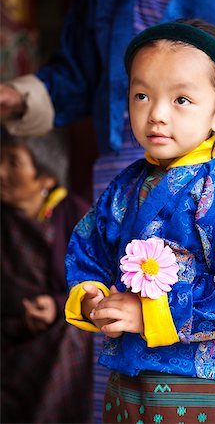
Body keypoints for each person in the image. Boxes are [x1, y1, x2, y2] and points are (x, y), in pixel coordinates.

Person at [0, 0, 215, 423]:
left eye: (181, 99)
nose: (156, 113)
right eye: (142, 95)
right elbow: (89, 247)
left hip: (208, 387)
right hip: (134, 380)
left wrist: (152, 312)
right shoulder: (125, 186)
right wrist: (91, 294)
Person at [0, 128, 93, 423]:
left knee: (77, 333)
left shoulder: (76, 216)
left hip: (57, 333)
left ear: (47, 177)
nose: (0, 172)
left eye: (13, 163)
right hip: (7, 331)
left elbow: (99, 283)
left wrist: (56, 305)